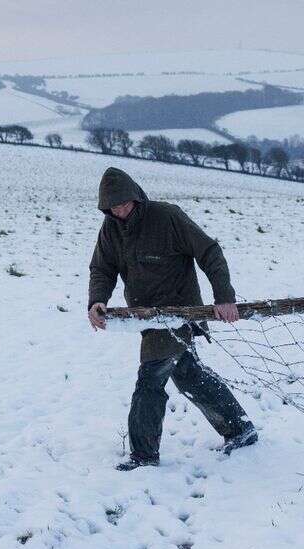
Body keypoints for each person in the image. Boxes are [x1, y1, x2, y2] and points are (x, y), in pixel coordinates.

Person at [87, 167, 258, 471]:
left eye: (125, 204)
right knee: (189, 374)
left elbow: (209, 251)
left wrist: (224, 296)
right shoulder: (111, 229)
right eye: (113, 207)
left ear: (137, 196)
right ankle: (240, 429)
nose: (121, 211)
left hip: (180, 313)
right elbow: (102, 268)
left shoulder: (167, 217)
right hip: (146, 316)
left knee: (150, 381)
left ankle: (144, 455)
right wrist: (97, 300)